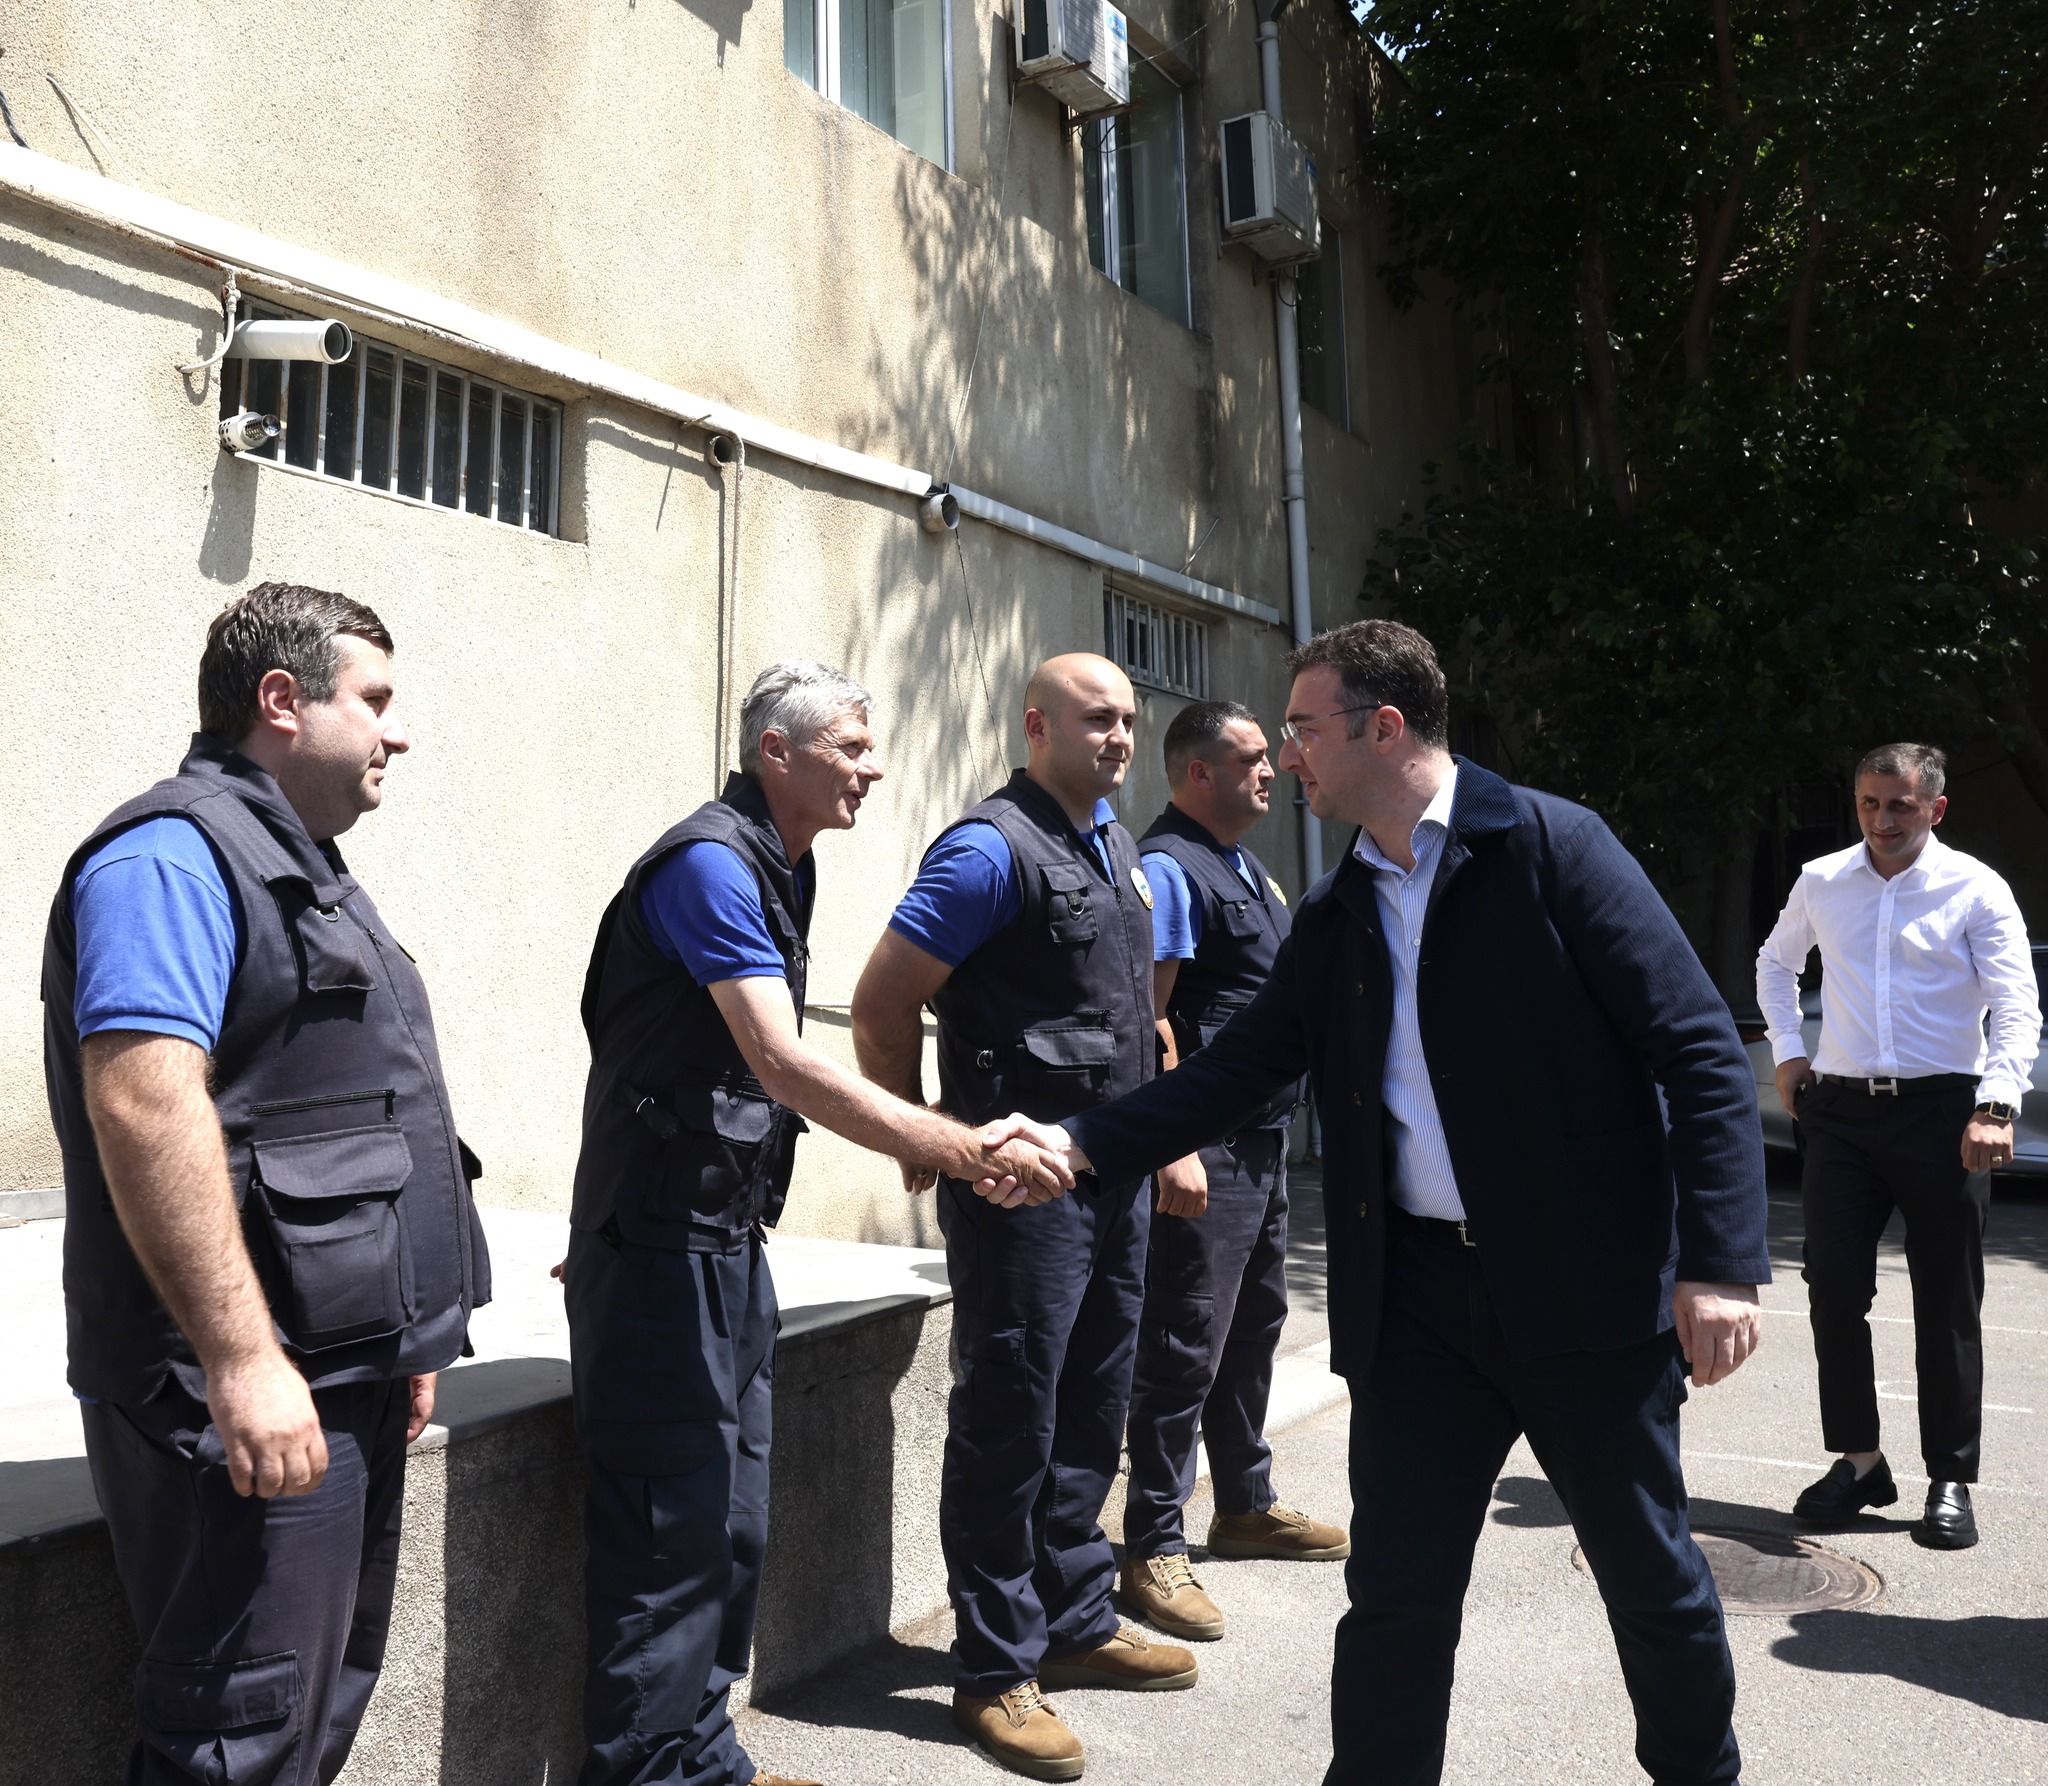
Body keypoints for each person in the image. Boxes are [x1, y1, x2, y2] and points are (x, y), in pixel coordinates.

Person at [985, 620, 1772, 1786]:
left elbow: (1699, 1051)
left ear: (1382, 727)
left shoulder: (1550, 848)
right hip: (1417, 1307)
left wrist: (1717, 1261)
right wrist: (1075, 1141)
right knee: (1396, 1597)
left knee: (1649, 1580)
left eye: (1302, 728)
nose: (1286, 754)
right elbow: (1229, 1073)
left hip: (1583, 1293)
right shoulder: (1337, 909)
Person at [564, 661, 1071, 1786]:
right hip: (658, 1257)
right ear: (774, 753)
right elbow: (781, 1063)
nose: (873, 767)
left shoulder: (776, 863)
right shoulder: (710, 865)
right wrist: (958, 1144)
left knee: (728, 1521)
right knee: (670, 1531)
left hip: (715, 1240)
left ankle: (701, 1758)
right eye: (850, 745)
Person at [41, 582, 492, 1784]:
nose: (398, 732)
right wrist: (243, 1359)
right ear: (282, 700)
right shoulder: (170, 857)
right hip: (240, 1388)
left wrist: (402, 1340)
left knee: (306, 1710)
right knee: (237, 1729)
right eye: (376, 700)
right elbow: (144, 1101)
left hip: (338, 1371)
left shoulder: (300, 862)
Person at [850, 653, 1198, 1783]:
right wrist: (923, 1135)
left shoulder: (1119, 846)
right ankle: (995, 1667)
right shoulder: (987, 851)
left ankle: (1075, 1621)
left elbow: (1137, 1022)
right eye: (1096, 719)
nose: (1119, 739)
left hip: (1110, 1179)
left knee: (1092, 1403)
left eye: (1129, 721)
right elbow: (881, 1002)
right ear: (1037, 725)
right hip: (1018, 1192)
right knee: (1011, 1417)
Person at [1758, 742, 2039, 1550]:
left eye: (1900, 805)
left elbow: (2016, 1003)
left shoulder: (1975, 888)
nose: (1882, 819)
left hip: (1944, 1115)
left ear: (1935, 808)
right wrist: (1789, 1052)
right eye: (1869, 803)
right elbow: (1775, 965)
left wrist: (1996, 1103)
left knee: (1946, 1299)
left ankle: (1950, 1477)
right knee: (1833, 1290)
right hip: (1842, 1115)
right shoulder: (1822, 881)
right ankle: (1860, 1462)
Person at [1119, 699, 1346, 1646]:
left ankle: (1244, 1505)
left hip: (1260, 1141)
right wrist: (1171, 1145)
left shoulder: (1244, 866)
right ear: (1197, 773)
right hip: (1205, 1151)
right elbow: (1147, 1018)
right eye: (1252, 757)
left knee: (1252, 1329)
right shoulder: (1172, 869)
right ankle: (1152, 1545)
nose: (1272, 768)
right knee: (1184, 1346)